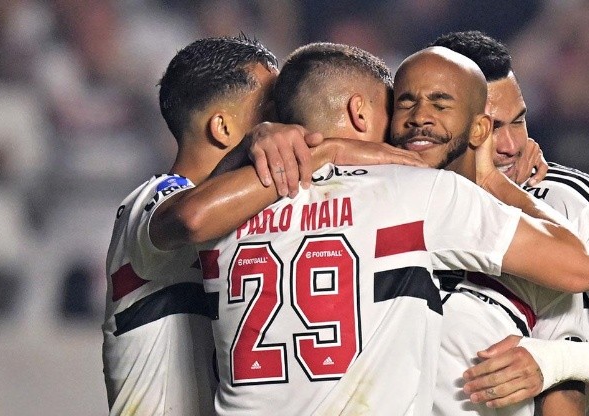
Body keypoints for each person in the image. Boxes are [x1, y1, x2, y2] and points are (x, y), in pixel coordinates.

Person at [196, 41, 589, 415]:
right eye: (398, 104)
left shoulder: (228, 204)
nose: (413, 120)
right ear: (360, 111)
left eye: (437, 104)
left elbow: (182, 218)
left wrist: (251, 145)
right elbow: (580, 267)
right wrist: (491, 178)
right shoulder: (416, 193)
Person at [103, 33, 429, 416]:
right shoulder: (153, 200)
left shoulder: (269, 211)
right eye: (270, 108)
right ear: (222, 128)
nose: (289, 119)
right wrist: (326, 149)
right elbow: (191, 220)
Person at [429, 31, 589, 414]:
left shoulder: (570, 200)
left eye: (519, 121)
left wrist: (554, 362)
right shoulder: (404, 194)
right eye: (492, 127)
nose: (511, 145)